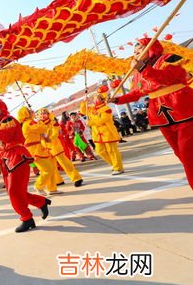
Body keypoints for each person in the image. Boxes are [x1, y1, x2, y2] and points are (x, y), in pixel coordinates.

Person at [109, 37, 193, 188]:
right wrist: (117, 100)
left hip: (183, 109)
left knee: (188, 156)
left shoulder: (169, 59)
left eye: (139, 50)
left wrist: (142, 68)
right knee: (181, 154)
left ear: (151, 47)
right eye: (134, 52)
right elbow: (136, 93)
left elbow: (166, 78)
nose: (135, 54)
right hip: (161, 116)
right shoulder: (138, 72)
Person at [0, 100, 51, 232]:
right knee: (18, 192)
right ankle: (40, 203)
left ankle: (26, 218)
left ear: (1, 108)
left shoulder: (8, 120)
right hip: (7, 161)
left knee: (14, 192)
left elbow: (7, 138)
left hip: (17, 158)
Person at [17, 106, 61, 195]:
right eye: (30, 111)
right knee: (47, 169)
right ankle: (38, 186)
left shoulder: (30, 122)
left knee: (51, 168)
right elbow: (43, 128)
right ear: (26, 114)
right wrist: (41, 121)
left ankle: (52, 188)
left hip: (38, 147)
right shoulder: (29, 123)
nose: (32, 111)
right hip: (34, 150)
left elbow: (40, 132)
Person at [38, 108, 84, 187]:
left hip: (55, 146)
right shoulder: (38, 125)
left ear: (48, 114)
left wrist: (49, 139)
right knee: (52, 166)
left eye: (44, 113)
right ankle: (58, 180)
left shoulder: (53, 122)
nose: (43, 115)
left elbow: (55, 133)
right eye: (41, 114)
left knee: (65, 163)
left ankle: (76, 178)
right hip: (46, 148)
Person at [83, 91, 124, 175]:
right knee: (100, 151)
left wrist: (91, 122)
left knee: (112, 151)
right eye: (94, 98)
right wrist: (84, 102)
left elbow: (102, 120)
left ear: (102, 100)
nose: (95, 100)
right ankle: (114, 164)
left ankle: (118, 167)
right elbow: (83, 110)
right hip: (97, 134)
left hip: (108, 133)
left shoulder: (107, 109)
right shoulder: (91, 109)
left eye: (97, 98)